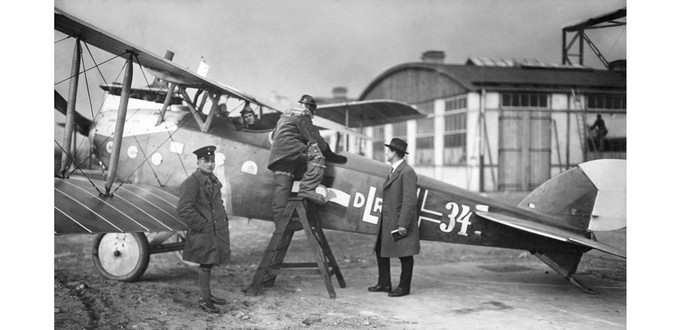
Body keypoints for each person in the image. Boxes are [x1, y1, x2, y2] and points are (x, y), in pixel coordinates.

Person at [267, 94, 346, 221]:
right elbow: (316, 140)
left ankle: (280, 220)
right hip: (291, 150)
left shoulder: (284, 117)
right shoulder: (303, 115)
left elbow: (275, 135)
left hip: (277, 155)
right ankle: (307, 189)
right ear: (310, 107)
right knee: (316, 155)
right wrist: (332, 156)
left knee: (281, 187)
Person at [176, 145, 231, 313]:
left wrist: (223, 220)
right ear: (198, 162)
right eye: (206, 161)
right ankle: (204, 300)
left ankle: (207, 295)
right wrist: (202, 225)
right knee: (205, 264)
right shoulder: (191, 183)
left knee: (210, 262)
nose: (210, 164)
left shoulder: (212, 180)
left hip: (215, 230)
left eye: (212, 161)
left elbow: (217, 203)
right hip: (203, 231)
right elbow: (184, 209)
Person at [368, 138, 420, 297]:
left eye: (388, 151)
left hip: (399, 220)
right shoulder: (394, 170)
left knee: (405, 254)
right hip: (389, 219)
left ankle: (404, 288)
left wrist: (403, 224)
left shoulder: (407, 172)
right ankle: (384, 284)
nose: (386, 153)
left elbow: (409, 201)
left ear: (395, 153)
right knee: (380, 249)